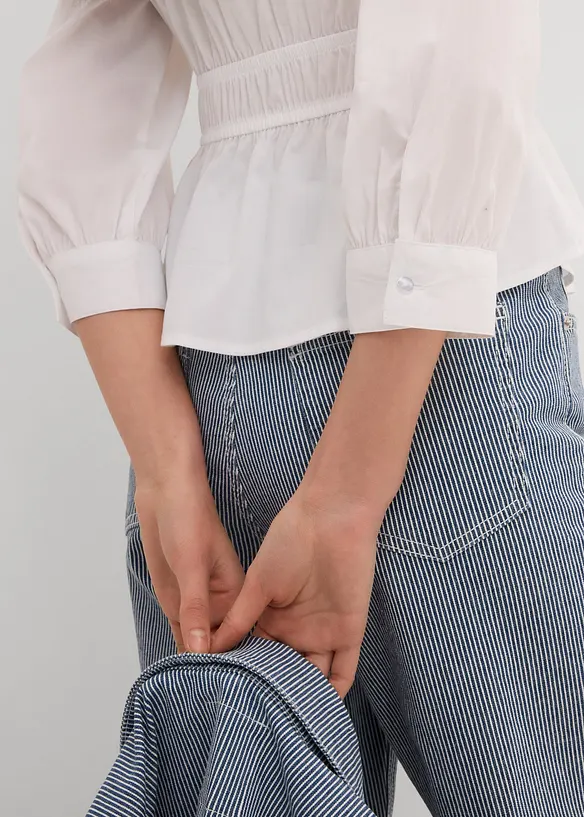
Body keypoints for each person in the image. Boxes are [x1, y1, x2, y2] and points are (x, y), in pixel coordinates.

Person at [17, 1, 584, 815]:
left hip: (214, 400)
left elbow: (81, 95)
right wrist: (345, 494)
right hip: (446, 372)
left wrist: (168, 467)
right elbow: (460, 36)